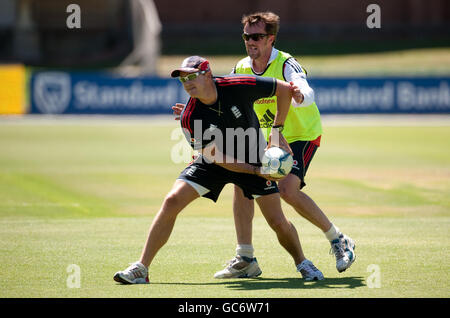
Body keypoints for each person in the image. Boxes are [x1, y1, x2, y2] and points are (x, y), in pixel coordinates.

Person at [173, 12, 355, 279]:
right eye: (246, 36)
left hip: (299, 135)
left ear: (271, 38)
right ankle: (245, 257)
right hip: (266, 138)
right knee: (241, 183)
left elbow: (303, 88)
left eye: (257, 36)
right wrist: (194, 108)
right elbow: (222, 93)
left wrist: (300, 95)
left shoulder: (285, 63)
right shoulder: (242, 66)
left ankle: (338, 239)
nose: (250, 41)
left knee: (287, 190)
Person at [113, 56, 324, 284]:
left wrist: (275, 132)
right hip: (216, 162)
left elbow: (283, 89)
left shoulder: (236, 85)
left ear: (207, 74)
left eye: (192, 76)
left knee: (277, 221)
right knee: (172, 200)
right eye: (183, 80)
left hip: (254, 155)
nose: (188, 83)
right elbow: (215, 156)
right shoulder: (190, 116)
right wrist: (254, 171)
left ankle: (302, 262)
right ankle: (141, 268)